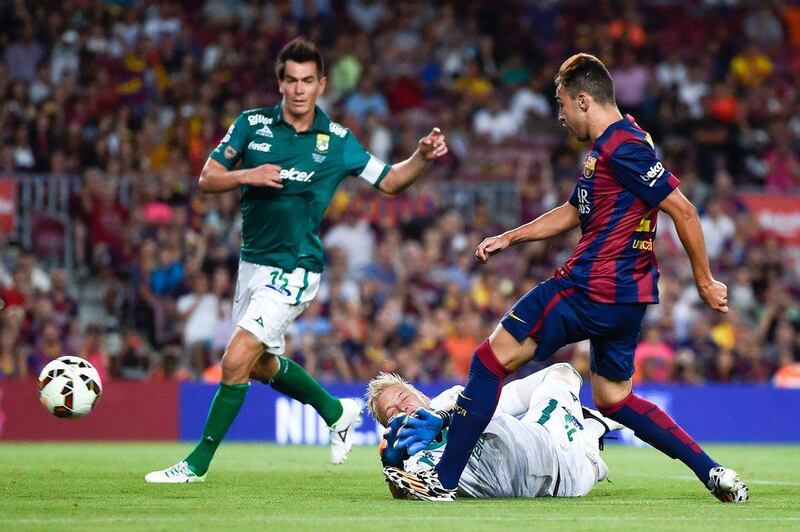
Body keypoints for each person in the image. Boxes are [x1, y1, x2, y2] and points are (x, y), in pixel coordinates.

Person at [384, 53, 748, 503]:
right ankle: (713, 472)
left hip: (586, 287)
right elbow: (574, 211)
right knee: (615, 399)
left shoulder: (622, 147)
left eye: (561, 105)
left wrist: (705, 281)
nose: (558, 117)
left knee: (489, 361)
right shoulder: (618, 145)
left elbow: (685, 210)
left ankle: (442, 481)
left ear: (582, 100)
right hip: (627, 301)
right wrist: (511, 237)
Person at [146, 37, 448, 483]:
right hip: (252, 266)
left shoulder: (338, 141)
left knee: (234, 360)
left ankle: (195, 466)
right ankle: (335, 411)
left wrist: (421, 157)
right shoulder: (251, 126)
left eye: (308, 80)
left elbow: (389, 181)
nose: (300, 89)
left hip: (296, 267)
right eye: (291, 80)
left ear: (321, 84)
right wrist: (248, 174)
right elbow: (207, 177)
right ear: (280, 83)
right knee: (261, 365)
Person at [369, 363, 621, 500]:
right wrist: (392, 467)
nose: (402, 407)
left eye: (403, 397)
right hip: (565, 484)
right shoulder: (414, 462)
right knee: (591, 462)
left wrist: (444, 416)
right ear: (389, 429)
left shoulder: (450, 398)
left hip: (548, 444)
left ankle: (599, 420)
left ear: (423, 395)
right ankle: (595, 425)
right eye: (391, 412)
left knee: (562, 372)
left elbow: (478, 401)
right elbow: (412, 491)